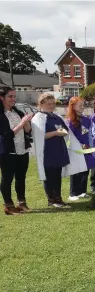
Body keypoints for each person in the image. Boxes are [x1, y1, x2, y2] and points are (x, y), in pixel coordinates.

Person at [31, 93, 87, 207]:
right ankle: (51, 200)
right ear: (41, 104)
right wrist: (56, 133)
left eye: (53, 103)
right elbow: (40, 135)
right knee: (49, 177)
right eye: (49, 104)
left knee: (57, 176)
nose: (52, 106)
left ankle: (58, 199)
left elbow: (65, 130)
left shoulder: (56, 117)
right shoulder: (38, 118)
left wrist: (63, 133)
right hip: (47, 152)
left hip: (59, 150)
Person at [0, 86, 33, 215]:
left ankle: (21, 203)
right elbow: (7, 135)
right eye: (10, 96)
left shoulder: (16, 112)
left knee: (21, 177)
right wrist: (21, 123)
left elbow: (27, 130)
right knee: (7, 178)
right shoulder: (2, 115)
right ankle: (8, 205)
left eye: (14, 96)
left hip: (22, 150)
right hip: (7, 151)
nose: (13, 99)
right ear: (1, 97)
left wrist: (26, 122)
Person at [66, 96, 95, 201]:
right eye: (80, 105)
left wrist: (91, 147)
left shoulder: (87, 120)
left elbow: (89, 135)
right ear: (73, 106)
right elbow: (68, 138)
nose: (83, 107)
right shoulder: (70, 121)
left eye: (83, 105)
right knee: (76, 171)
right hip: (75, 151)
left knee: (85, 170)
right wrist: (77, 146)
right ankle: (73, 194)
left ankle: (82, 191)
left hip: (86, 150)